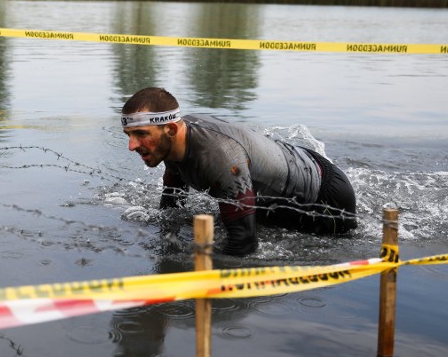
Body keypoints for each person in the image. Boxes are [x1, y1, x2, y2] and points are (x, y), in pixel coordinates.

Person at [121, 87, 357, 255]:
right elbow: (172, 206)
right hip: (294, 165)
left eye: (141, 134)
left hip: (326, 201)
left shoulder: (219, 158)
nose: (131, 146)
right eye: (129, 135)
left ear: (171, 129)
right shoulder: (173, 141)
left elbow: (244, 245)